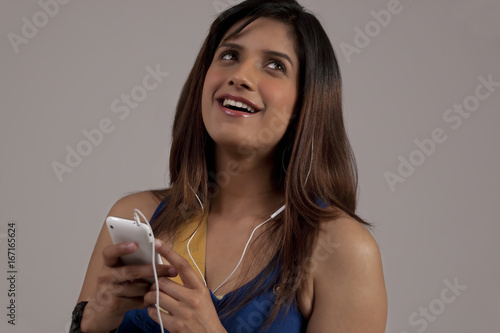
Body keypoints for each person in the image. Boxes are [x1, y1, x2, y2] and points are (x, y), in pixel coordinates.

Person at [72, 0, 387, 332]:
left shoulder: (342, 250)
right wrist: (92, 322)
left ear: (307, 101)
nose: (240, 76)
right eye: (230, 56)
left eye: (275, 66)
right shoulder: (133, 216)